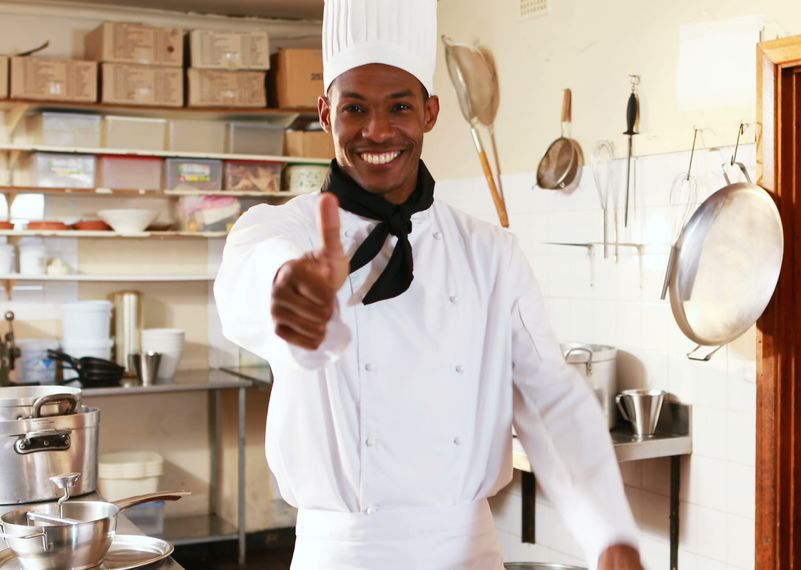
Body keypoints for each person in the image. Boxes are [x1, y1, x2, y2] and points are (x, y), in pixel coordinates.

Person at [214, 1, 642, 568]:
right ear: (324, 113)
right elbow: (250, 277)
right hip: (341, 554)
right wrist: (288, 290)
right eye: (354, 108)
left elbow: (551, 400)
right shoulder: (286, 230)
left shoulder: (489, 253)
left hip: (465, 552)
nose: (378, 130)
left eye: (399, 107)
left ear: (431, 112)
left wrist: (609, 532)